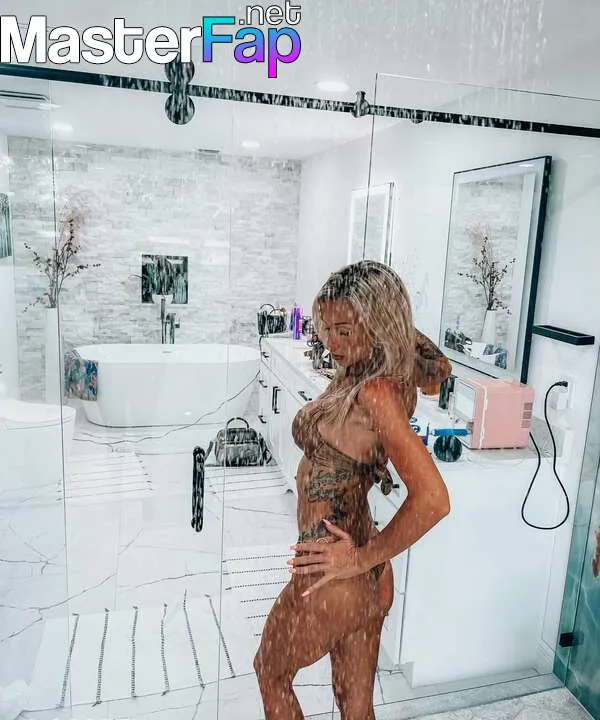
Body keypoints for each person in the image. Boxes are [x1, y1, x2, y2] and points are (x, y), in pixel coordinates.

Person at [253, 260, 453, 719]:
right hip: (365, 572)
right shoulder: (373, 370)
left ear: (378, 325)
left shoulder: (375, 393)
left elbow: (434, 499)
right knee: (355, 705)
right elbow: (435, 364)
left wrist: (359, 559)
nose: (332, 344)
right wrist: (366, 561)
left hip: (334, 574)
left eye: (344, 331)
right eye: (327, 329)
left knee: (270, 673)